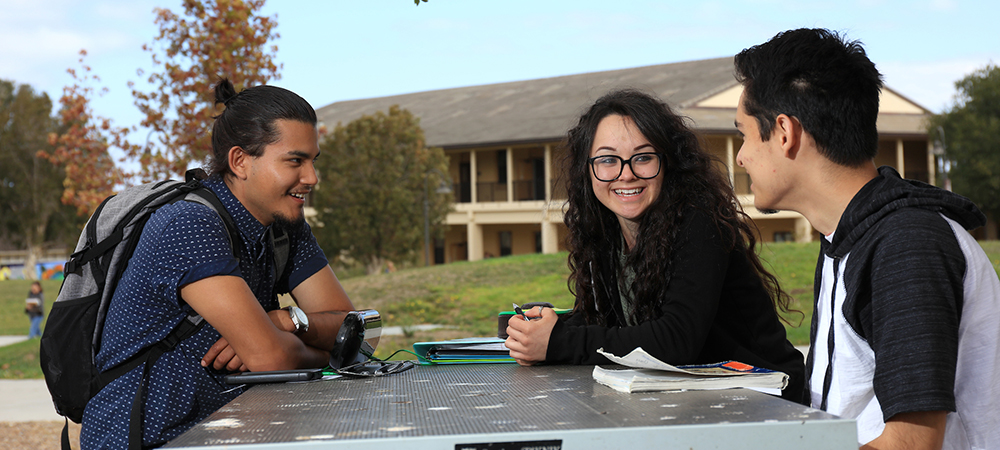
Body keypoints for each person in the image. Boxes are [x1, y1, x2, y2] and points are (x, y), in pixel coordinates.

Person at [734, 28, 1000, 449]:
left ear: (784, 132)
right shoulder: (850, 236)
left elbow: (911, 444)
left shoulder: (906, 245)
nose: (740, 155)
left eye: (744, 134)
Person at [80, 79, 356, 449]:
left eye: (312, 161)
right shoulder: (190, 224)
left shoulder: (286, 226)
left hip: (228, 429)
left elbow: (354, 330)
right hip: (147, 436)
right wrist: (326, 351)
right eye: (295, 161)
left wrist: (289, 322)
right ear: (240, 161)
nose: (311, 178)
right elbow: (271, 357)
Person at [504, 89, 807, 404]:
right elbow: (610, 326)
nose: (626, 174)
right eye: (608, 160)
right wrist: (545, 328)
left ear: (668, 163)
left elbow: (677, 338)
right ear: (588, 169)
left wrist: (560, 342)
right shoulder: (605, 232)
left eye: (643, 157)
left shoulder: (699, 223)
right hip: (692, 400)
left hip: (766, 401)